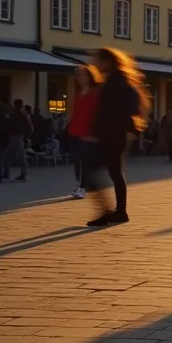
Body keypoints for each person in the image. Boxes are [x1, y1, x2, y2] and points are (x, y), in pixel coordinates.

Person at [84, 48, 148, 227]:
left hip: (113, 135)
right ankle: (118, 211)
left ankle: (111, 211)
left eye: (97, 59)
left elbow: (129, 107)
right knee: (114, 173)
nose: (94, 62)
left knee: (96, 172)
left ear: (107, 62)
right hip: (112, 134)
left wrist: (130, 131)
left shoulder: (118, 82)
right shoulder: (112, 80)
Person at [67, 65, 101, 199]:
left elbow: (98, 114)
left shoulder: (95, 93)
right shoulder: (78, 93)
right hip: (75, 131)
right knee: (76, 160)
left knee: (85, 161)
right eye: (79, 75)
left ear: (90, 77)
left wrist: (95, 132)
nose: (80, 78)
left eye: (83, 75)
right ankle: (80, 183)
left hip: (88, 133)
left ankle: (83, 186)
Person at [0, 98, 32, 183]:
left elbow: (12, 123)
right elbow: (29, 126)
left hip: (16, 136)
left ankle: (20, 174)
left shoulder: (17, 113)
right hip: (18, 136)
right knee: (13, 155)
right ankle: (12, 173)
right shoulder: (23, 113)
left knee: (18, 156)